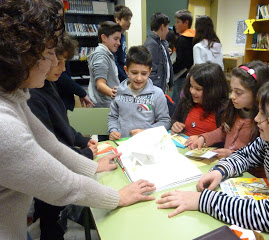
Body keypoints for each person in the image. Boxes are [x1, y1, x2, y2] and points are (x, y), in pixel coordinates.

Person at [0, 1, 155, 239]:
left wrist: (93, 165)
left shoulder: (14, 96)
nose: (55, 64)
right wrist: (118, 197)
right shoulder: (4, 125)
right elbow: (61, 184)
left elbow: (50, 146)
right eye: (50, 54)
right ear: (24, 56)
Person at [157, 74, 269, 234]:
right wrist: (220, 171)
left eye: (266, 115)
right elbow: (244, 156)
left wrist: (202, 200)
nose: (256, 118)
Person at [27, 32, 98, 239]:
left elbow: (63, 126)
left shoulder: (48, 85)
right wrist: (86, 156)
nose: (63, 68)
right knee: (50, 221)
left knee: (56, 219)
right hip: (53, 173)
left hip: (65, 164)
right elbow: (49, 147)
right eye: (59, 62)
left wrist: (82, 140)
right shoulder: (33, 97)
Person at [186, 61, 269, 159]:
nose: (232, 96)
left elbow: (259, 157)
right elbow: (224, 131)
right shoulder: (234, 110)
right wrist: (203, 138)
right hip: (228, 166)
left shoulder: (263, 124)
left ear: (257, 92)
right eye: (232, 90)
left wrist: (232, 154)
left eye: (238, 92)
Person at [108, 46, 171, 140]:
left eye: (144, 73)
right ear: (126, 70)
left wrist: (147, 132)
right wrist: (112, 130)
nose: (139, 78)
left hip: (146, 143)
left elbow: (165, 121)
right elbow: (113, 117)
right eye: (134, 73)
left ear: (149, 71)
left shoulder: (157, 94)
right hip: (122, 143)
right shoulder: (118, 92)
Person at [171, 63, 229, 139]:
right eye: (191, 86)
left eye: (198, 89)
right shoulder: (186, 101)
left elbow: (225, 137)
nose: (192, 91)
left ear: (213, 90)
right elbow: (175, 119)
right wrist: (175, 125)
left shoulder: (224, 109)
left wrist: (202, 139)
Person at [87, 21, 122, 108]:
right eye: (115, 39)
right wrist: (118, 95)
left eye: (119, 39)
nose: (119, 43)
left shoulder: (107, 54)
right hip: (104, 106)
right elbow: (100, 85)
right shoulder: (101, 56)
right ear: (104, 38)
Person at [144, 12, 173, 94]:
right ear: (162, 27)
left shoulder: (161, 42)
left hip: (163, 86)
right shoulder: (152, 45)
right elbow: (151, 71)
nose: (168, 31)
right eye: (167, 28)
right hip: (157, 89)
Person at [171, 9, 195, 104]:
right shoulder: (195, 37)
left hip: (181, 75)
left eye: (178, 22)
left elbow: (180, 61)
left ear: (186, 23)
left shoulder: (182, 39)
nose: (175, 25)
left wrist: (171, 71)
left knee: (176, 99)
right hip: (192, 73)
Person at [113, 4, 132, 82]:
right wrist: (125, 77)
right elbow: (115, 61)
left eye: (130, 19)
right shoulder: (115, 37)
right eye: (126, 20)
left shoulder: (123, 35)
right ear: (117, 20)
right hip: (118, 77)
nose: (129, 22)